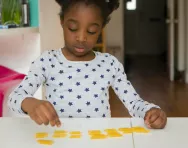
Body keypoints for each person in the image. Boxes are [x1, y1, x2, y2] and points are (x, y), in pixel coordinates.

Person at [7, 0, 167, 129]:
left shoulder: (109, 64)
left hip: (99, 141)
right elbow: (15, 98)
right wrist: (30, 103)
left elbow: (134, 103)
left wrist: (150, 111)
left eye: (91, 31)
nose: (82, 37)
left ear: (101, 29)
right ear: (62, 22)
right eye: (73, 28)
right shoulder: (47, 61)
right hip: (60, 141)